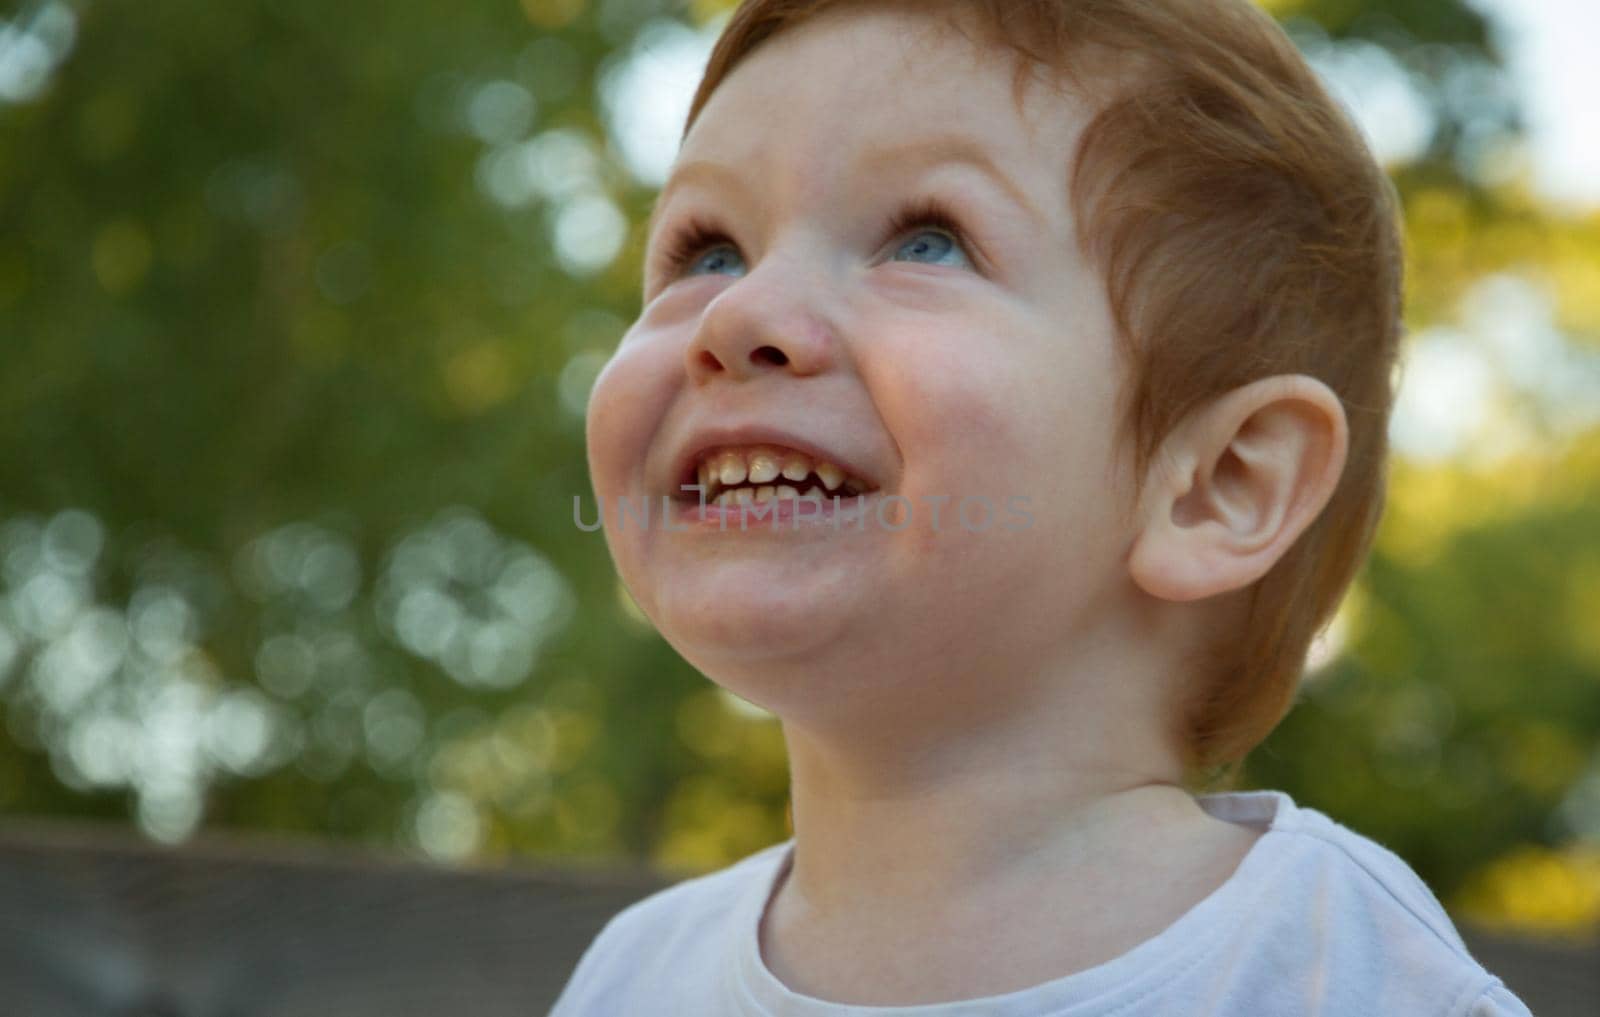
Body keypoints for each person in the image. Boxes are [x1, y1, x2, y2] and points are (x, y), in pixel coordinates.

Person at [555, 0, 1533, 1013]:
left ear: (1216, 486)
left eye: (926, 242)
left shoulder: (1340, 974)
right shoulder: (633, 979)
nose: (738, 314)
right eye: (708, 250)